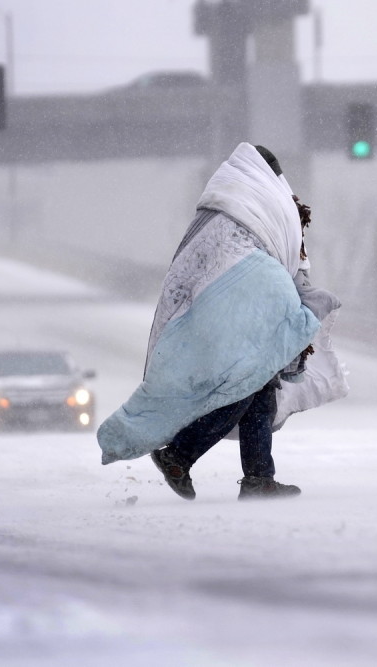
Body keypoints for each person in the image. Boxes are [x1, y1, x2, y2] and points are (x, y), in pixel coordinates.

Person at [97, 143, 343, 501]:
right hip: (237, 311)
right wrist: (300, 304)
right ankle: (179, 455)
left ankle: (259, 476)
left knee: (258, 387)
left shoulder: (220, 209)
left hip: (215, 311)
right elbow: (282, 258)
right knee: (244, 385)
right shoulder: (267, 205)